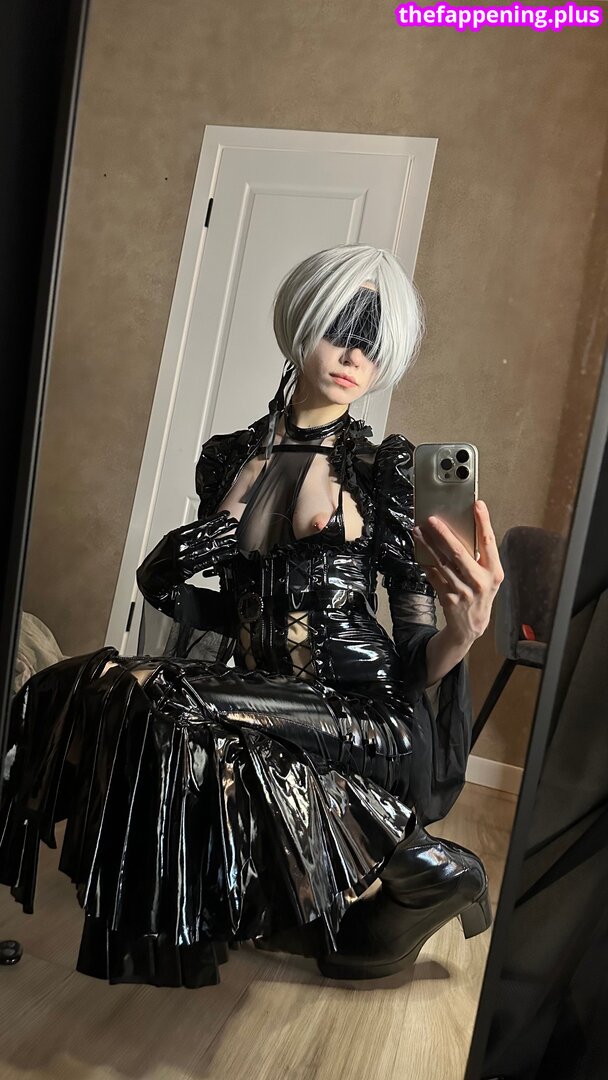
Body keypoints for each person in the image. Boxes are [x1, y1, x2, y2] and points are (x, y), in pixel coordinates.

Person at [0, 243, 504, 988]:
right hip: (265, 695)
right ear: (301, 322)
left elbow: (416, 644)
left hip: (366, 710)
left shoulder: (382, 471)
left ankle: (412, 858)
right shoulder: (227, 457)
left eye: (374, 339)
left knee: (167, 695)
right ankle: (402, 869)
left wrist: (464, 631)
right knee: (98, 688)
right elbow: (160, 580)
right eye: (341, 327)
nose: (355, 353)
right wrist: (234, 516)